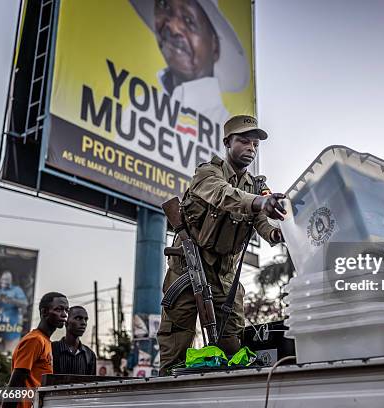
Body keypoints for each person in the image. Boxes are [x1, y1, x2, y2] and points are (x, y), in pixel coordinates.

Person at [157, 114, 286, 374]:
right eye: (244, 141)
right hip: (188, 266)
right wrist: (259, 202)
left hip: (224, 274)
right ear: (228, 142)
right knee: (177, 339)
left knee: (233, 345)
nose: (251, 148)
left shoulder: (256, 186)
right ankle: (168, 391)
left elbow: (262, 220)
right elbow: (221, 194)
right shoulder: (208, 172)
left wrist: (276, 234)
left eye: (255, 145)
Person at [129, 0, 249, 123]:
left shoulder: (224, 128)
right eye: (163, 5)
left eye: (188, 20)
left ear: (215, 46)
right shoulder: (140, 109)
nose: (172, 26)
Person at [5, 292, 68, 408]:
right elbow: (15, 384)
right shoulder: (35, 340)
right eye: (59, 309)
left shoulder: (46, 341)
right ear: (44, 312)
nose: (64, 314)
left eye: (66, 310)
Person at [0, 271, 29, 351]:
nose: (5, 281)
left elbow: (25, 303)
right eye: (3, 279)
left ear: (11, 280)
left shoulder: (17, 290)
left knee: (10, 357)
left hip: (12, 330)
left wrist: (12, 300)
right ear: (0, 279)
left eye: (7, 279)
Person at [52, 306, 97, 375]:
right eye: (78, 318)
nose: (84, 323)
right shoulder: (52, 349)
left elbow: (91, 384)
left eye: (86, 319)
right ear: (66, 322)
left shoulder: (90, 355)